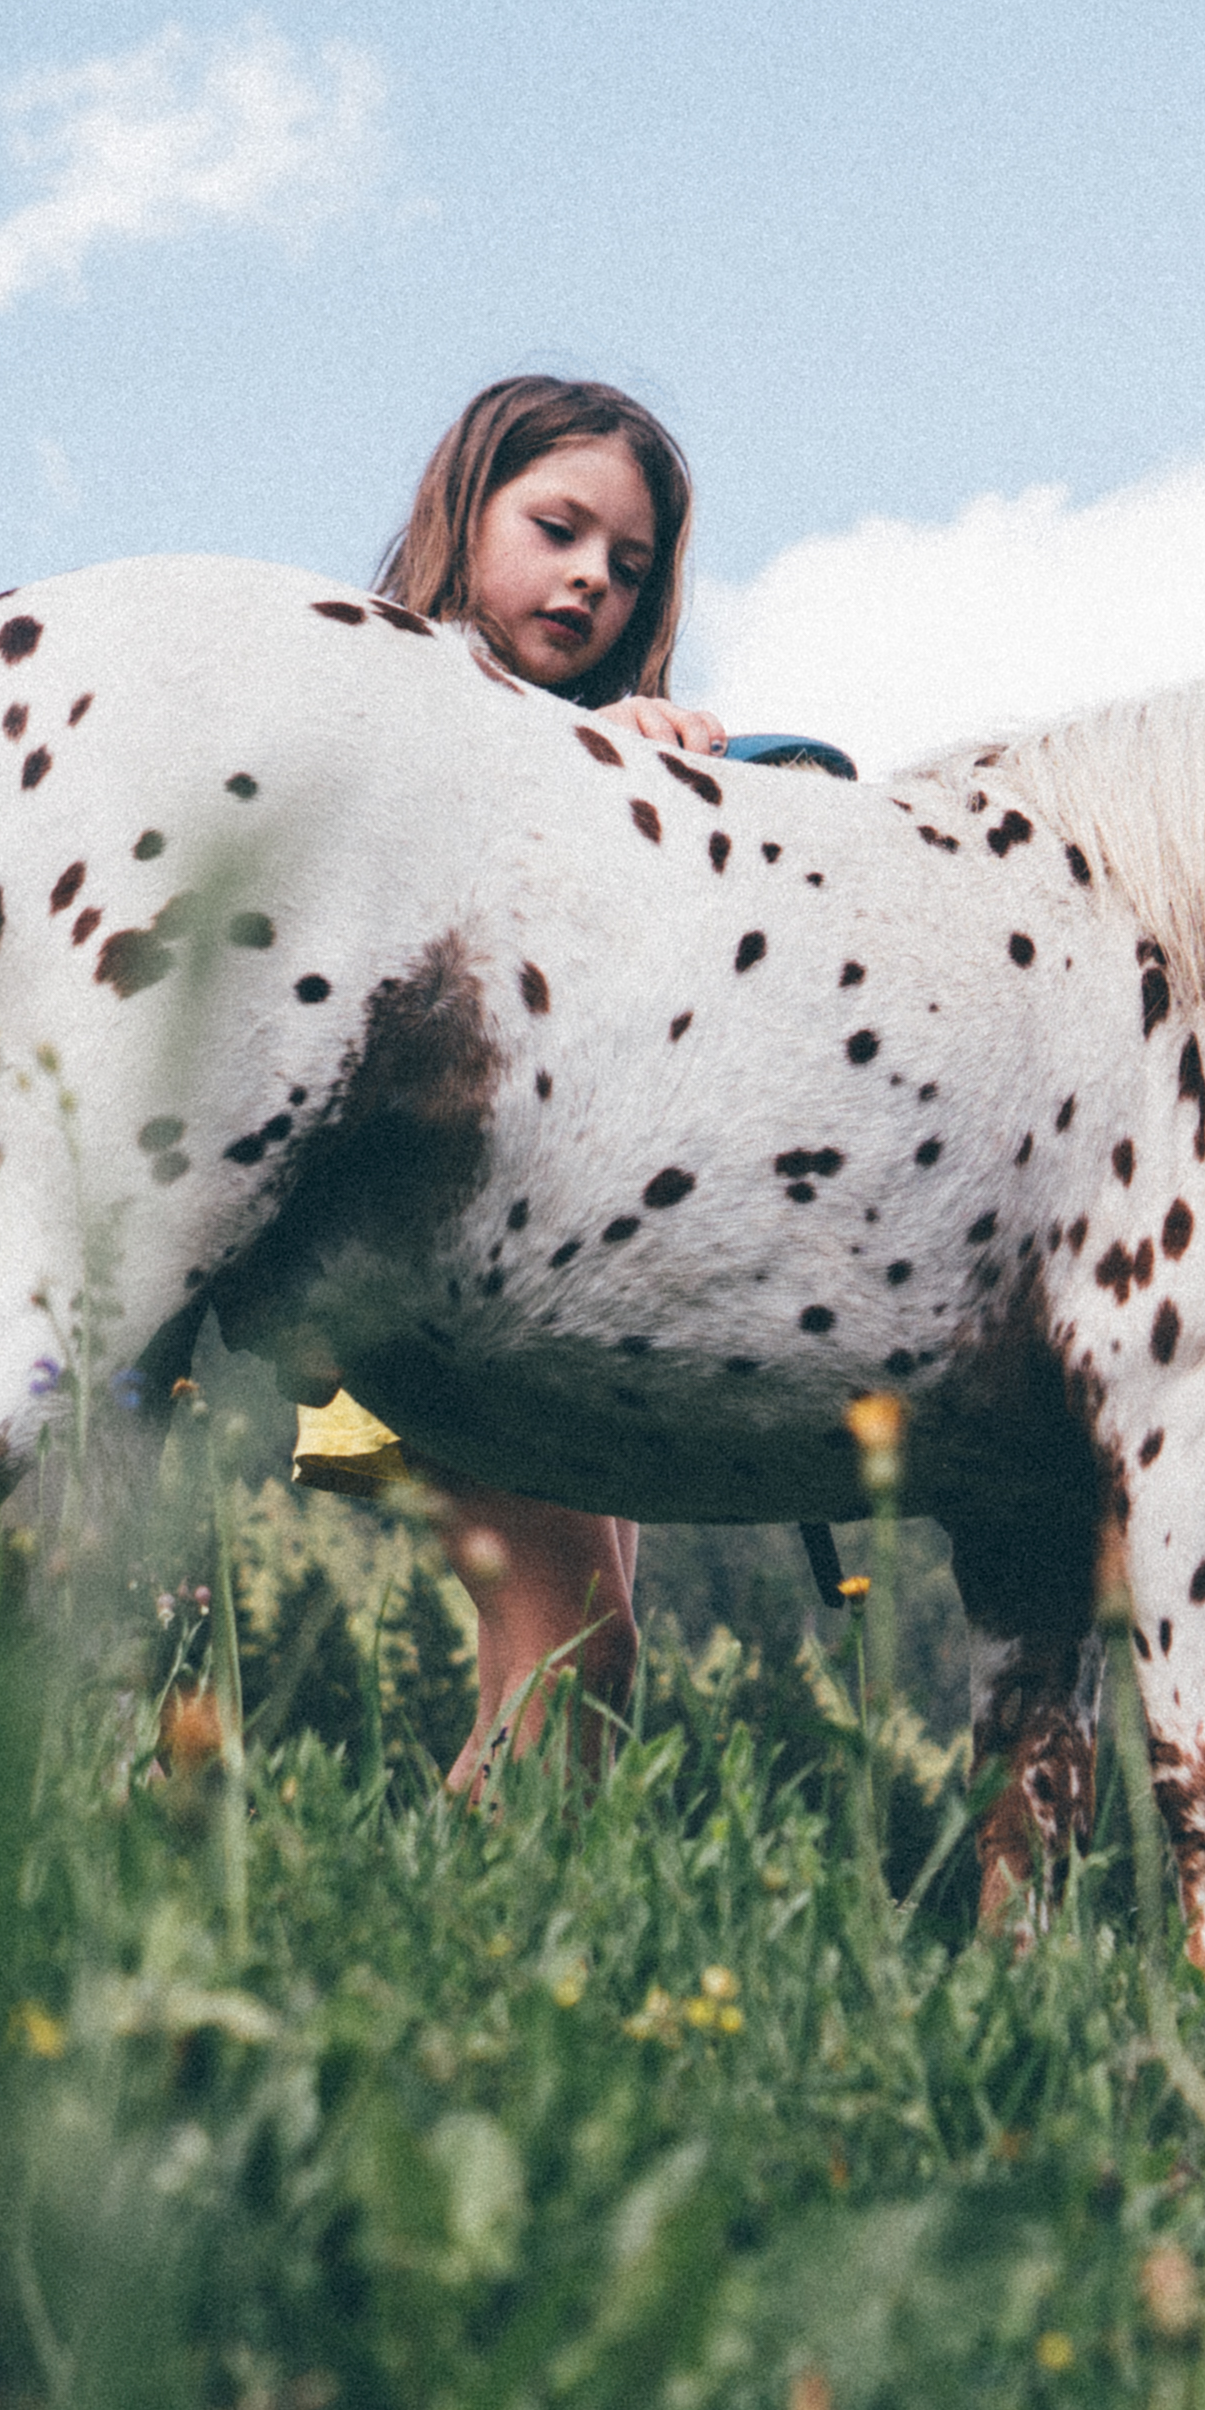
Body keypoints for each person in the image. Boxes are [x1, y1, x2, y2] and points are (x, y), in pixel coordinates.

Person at [313, 376, 708, 1783]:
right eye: (558, 528)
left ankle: (495, 1914)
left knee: (581, 1644)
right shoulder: (399, 694)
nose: (592, 576)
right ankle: (487, 1951)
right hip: (390, 1257)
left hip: (533, 1255)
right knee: (576, 1639)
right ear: (463, 508)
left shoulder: (586, 737)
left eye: (630, 566)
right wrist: (609, 751)